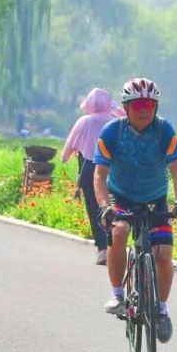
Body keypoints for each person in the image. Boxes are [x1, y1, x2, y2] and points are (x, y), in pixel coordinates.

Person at [93, 77, 177, 344]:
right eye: (137, 105)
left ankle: (161, 310)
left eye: (149, 104)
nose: (144, 110)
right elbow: (99, 175)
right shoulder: (112, 132)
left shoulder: (164, 131)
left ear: (156, 106)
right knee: (120, 229)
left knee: (164, 254)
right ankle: (117, 295)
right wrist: (104, 207)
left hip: (154, 198)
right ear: (126, 108)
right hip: (120, 196)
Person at [60, 88, 125, 265]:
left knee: (94, 207)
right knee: (113, 206)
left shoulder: (84, 121)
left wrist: (65, 157)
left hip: (89, 169)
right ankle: (115, 244)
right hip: (112, 170)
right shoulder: (115, 122)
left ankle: (103, 249)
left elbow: (70, 143)